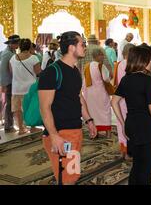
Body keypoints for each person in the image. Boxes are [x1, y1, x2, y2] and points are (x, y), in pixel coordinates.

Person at [38, 31, 97, 185]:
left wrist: (89, 120)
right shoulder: (52, 72)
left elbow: (78, 97)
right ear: (72, 47)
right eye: (82, 44)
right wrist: (54, 136)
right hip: (61, 133)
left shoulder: (75, 70)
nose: (85, 47)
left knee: (72, 174)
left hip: (74, 129)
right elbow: (45, 108)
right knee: (68, 177)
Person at [112, 46, 151, 185]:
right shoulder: (147, 80)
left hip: (131, 124)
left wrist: (123, 123)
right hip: (146, 127)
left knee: (137, 165)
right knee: (145, 168)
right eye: (150, 60)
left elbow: (114, 102)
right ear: (143, 61)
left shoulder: (126, 79)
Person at [9, 38, 42, 135]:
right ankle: (32, 127)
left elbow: (11, 72)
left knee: (18, 109)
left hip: (16, 88)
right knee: (30, 108)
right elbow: (38, 72)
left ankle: (21, 129)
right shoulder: (34, 58)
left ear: (20, 47)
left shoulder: (13, 58)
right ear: (30, 47)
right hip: (30, 88)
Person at [82, 48, 113, 138]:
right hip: (101, 93)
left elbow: (84, 82)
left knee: (92, 112)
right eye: (101, 55)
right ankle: (108, 133)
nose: (103, 56)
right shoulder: (100, 66)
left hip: (90, 94)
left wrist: (85, 93)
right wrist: (110, 77)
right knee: (105, 112)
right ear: (97, 56)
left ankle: (93, 132)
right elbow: (106, 79)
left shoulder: (87, 66)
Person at [114, 43, 135, 158]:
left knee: (120, 123)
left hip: (119, 98)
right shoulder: (131, 64)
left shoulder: (119, 64)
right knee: (128, 124)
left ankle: (123, 149)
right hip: (129, 98)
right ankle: (128, 151)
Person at [0, 34, 21, 133]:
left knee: (10, 103)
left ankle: (10, 124)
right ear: (12, 44)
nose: (18, 45)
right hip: (8, 82)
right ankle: (8, 126)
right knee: (9, 104)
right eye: (17, 44)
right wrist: (3, 84)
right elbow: (3, 70)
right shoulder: (8, 54)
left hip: (9, 81)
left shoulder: (10, 52)